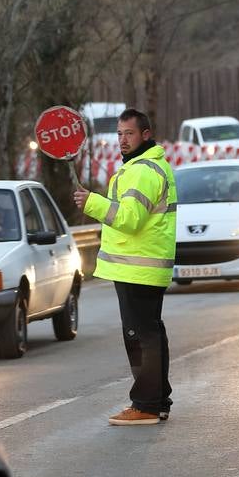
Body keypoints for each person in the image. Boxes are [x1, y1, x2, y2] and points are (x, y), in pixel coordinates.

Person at [73, 108, 177, 426]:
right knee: (150, 335)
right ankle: (157, 400)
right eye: (119, 134)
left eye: (128, 134)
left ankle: (145, 404)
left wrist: (91, 202)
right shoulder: (142, 166)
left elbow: (129, 219)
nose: (122, 140)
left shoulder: (143, 170)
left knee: (141, 337)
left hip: (138, 269)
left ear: (145, 135)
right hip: (142, 267)